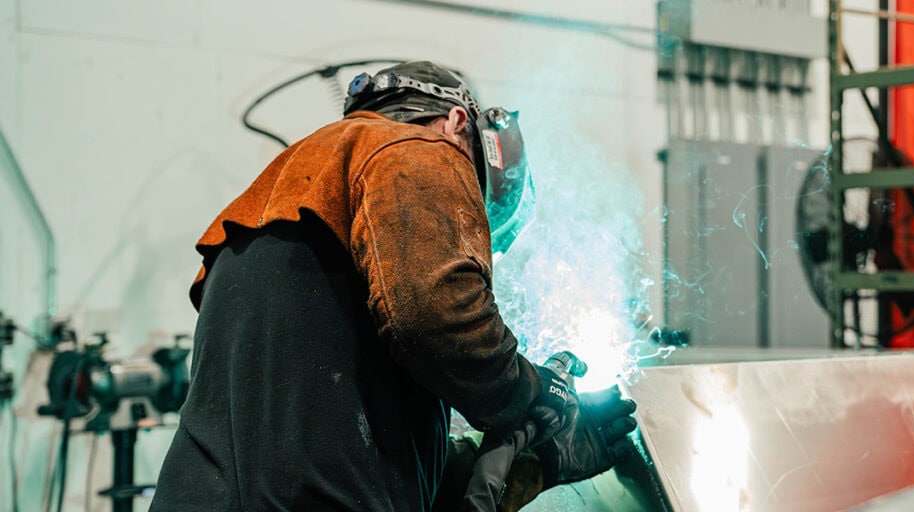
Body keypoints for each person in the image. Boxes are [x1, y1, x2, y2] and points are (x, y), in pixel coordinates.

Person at [150, 61, 636, 512]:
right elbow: (438, 318)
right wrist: (534, 392)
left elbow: (380, 468)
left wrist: (538, 462)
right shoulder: (415, 151)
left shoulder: (284, 210)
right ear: (457, 124)